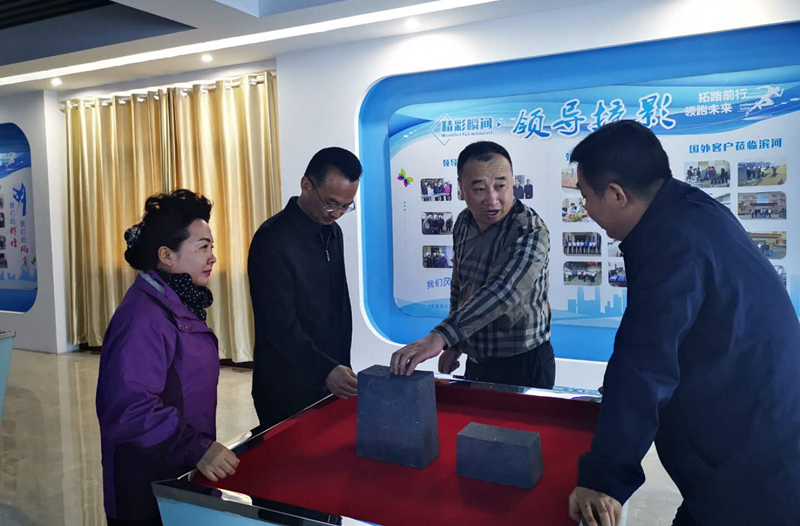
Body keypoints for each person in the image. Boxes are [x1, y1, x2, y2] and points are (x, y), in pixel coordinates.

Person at [566, 121, 800, 526]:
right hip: (757, 432)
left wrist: (602, 478)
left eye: (586, 197)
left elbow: (646, 360)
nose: (586, 210)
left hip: (755, 457)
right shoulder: (690, 210)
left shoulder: (670, 240)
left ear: (617, 194)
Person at [96, 190, 239, 526]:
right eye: (202, 247)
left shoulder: (178, 302)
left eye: (212, 247)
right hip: (144, 486)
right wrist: (196, 447)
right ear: (167, 256)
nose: (212, 257)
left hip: (175, 470)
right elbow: (130, 409)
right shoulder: (143, 318)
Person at [390, 141, 554, 389]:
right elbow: (460, 285)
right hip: (477, 361)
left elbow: (503, 291)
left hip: (522, 363)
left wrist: (442, 336)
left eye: (501, 186)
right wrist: (455, 344)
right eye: (479, 189)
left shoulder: (529, 230)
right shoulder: (464, 222)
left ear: (513, 183)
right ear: (461, 189)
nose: (492, 199)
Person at [249, 148, 362, 429]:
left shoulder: (333, 232)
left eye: (346, 206)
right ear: (306, 185)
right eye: (331, 203)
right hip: (287, 386)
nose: (337, 214)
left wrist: (339, 365)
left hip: (331, 377)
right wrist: (324, 369)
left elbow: (339, 307)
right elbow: (278, 324)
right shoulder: (273, 239)